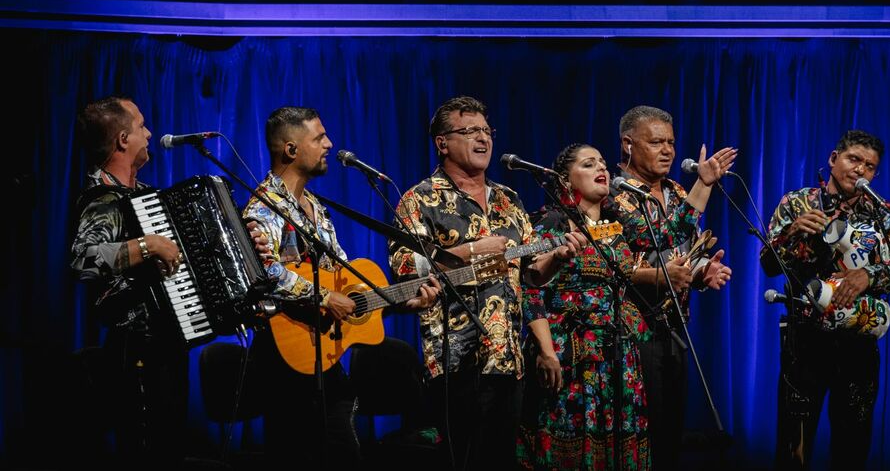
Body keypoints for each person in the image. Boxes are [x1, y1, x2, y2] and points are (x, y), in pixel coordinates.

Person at [389, 96, 583, 471]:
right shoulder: (419, 199)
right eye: (469, 131)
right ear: (442, 143)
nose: (483, 138)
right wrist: (470, 251)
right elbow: (405, 268)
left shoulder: (509, 200)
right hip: (457, 359)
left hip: (508, 360)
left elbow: (530, 275)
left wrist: (556, 258)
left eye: (486, 130)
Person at [242, 106, 440, 467]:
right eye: (319, 138)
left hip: (326, 360)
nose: (329, 144)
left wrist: (400, 303)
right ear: (290, 149)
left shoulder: (317, 207)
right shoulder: (263, 209)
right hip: (286, 359)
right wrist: (322, 297)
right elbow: (265, 273)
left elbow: (345, 280)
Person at [762, 129, 890, 469]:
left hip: (858, 340)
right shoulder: (797, 203)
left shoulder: (882, 213)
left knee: (853, 444)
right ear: (833, 159)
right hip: (805, 339)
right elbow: (767, 265)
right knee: (793, 445)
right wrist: (792, 231)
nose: (860, 170)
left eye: (870, 166)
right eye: (854, 159)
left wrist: (870, 274)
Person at [606, 105, 736, 470]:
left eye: (671, 143)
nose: (668, 151)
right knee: (642, 433)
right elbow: (655, 238)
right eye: (656, 142)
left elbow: (682, 248)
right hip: (631, 332)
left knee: (670, 433)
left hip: (673, 328)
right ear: (628, 145)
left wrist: (701, 271)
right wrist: (704, 184)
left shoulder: (677, 191)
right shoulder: (615, 194)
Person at [517, 143, 651, 470]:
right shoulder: (552, 222)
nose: (601, 168)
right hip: (572, 360)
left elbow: (659, 245)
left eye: (603, 162)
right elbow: (528, 286)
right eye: (589, 164)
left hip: (616, 358)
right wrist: (545, 351)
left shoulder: (613, 228)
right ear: (565, 179)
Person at [70, 96, 187, 468]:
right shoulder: (104, 199)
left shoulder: (144, 197)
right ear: (123, 139)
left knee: (169, 448)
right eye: (141, 126)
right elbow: (81, 260)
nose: (150, 133)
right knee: (146, 452)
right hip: (134, 350)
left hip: (165, 345)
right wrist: (146, 245)